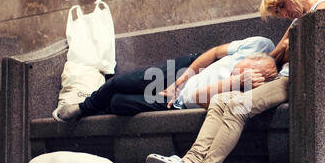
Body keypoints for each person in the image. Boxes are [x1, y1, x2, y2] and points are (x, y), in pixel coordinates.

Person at [145, 0, 325, 163]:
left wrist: (292, 47)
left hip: (293, 82)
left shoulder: (323, 10)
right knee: (220, 100)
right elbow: (272, 59)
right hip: (278, 79)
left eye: (282, 6)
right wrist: (260, 61)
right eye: (278, 12)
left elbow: (318, 62)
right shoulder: (297, 21)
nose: (284, 14)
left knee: (238, 107)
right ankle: (190, 162)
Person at [53, 36, 278, 122]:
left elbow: (200, 98)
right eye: (240, 68)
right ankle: (83, 107)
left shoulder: (245, 90)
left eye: (243, 77)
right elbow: (214, 53)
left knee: (118, 103)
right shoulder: (261, 46)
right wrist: (179, 82)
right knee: (121, 82)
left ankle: (99, 106)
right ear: (254, 58)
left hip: (180, 102)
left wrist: (237, 82)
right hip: (184, 71)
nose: (236, 72)